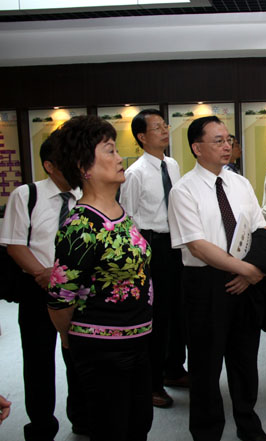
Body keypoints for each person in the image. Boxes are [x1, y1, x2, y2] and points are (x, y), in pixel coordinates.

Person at [47, 115, 153, 441]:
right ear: (84, 167)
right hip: (103, 349)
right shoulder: (80, 226)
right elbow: (59, 299)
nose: (120, 158)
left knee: (139, 425)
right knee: (112, 429)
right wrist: (72, 338)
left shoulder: (120, 214)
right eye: (109, 150)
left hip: (139, 338)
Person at [167, 116, 266, 441]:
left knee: (245, 360)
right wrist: (245, 270)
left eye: (229, 140)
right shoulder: (183, 190)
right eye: (218, 141)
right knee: (205, 366)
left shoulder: (240, 183)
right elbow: (197, 246)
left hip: (245, 280)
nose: (227, 146)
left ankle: (248, 425)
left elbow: (260, 229)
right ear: (197, 148)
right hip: (205, 284)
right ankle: (207, 432)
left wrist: (251, 272)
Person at [0, 133, 88, 440]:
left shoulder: (88, 195)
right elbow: (14, 244)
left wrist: (65, 279)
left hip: (79, 291)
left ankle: (82, 418)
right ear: (50, 165)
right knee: (38, 362)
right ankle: (41, 427)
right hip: (37, 289)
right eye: (68, 158)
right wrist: (47, 276)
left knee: (79, 358)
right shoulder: (27, 195)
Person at [120, 109, 187, 409]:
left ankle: (175, 369)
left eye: (165, 125)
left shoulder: (171, 164)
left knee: (178, 310)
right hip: (152, 245)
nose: (164, 130)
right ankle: (152, 383)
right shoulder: (135, 173)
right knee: (157, 315)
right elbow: (128, 217)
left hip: (175, 243)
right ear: (142, 137)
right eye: (157, 127)